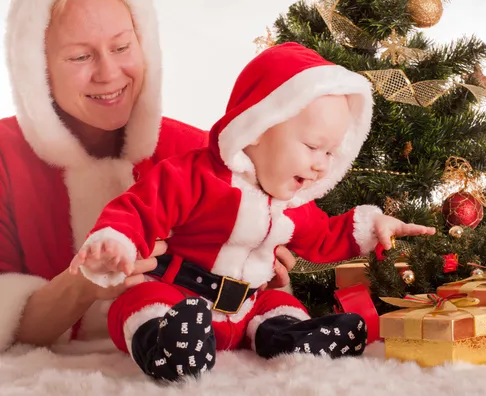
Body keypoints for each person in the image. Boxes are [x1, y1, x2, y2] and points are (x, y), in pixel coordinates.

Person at [71, 42, 437, 381]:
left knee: (278, 302)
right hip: (180, 295)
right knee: (141, 302)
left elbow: (326, 236)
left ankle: (289, 338)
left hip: (248, 305)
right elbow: (139, 208)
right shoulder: (195, 175)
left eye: (330, 154)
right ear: (257, 128)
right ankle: (167, 346)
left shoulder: (294, 207)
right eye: (312, 146)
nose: (322, 167)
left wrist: (374, 225)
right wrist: (114, 243)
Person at [0, 0, 294, 353]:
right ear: (37, 70)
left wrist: (254, 268)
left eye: (121, 47)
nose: (109, 73)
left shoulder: (203, 153)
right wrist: (83, 284)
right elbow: (8, 327)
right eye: (79, 57)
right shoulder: (4, 158)